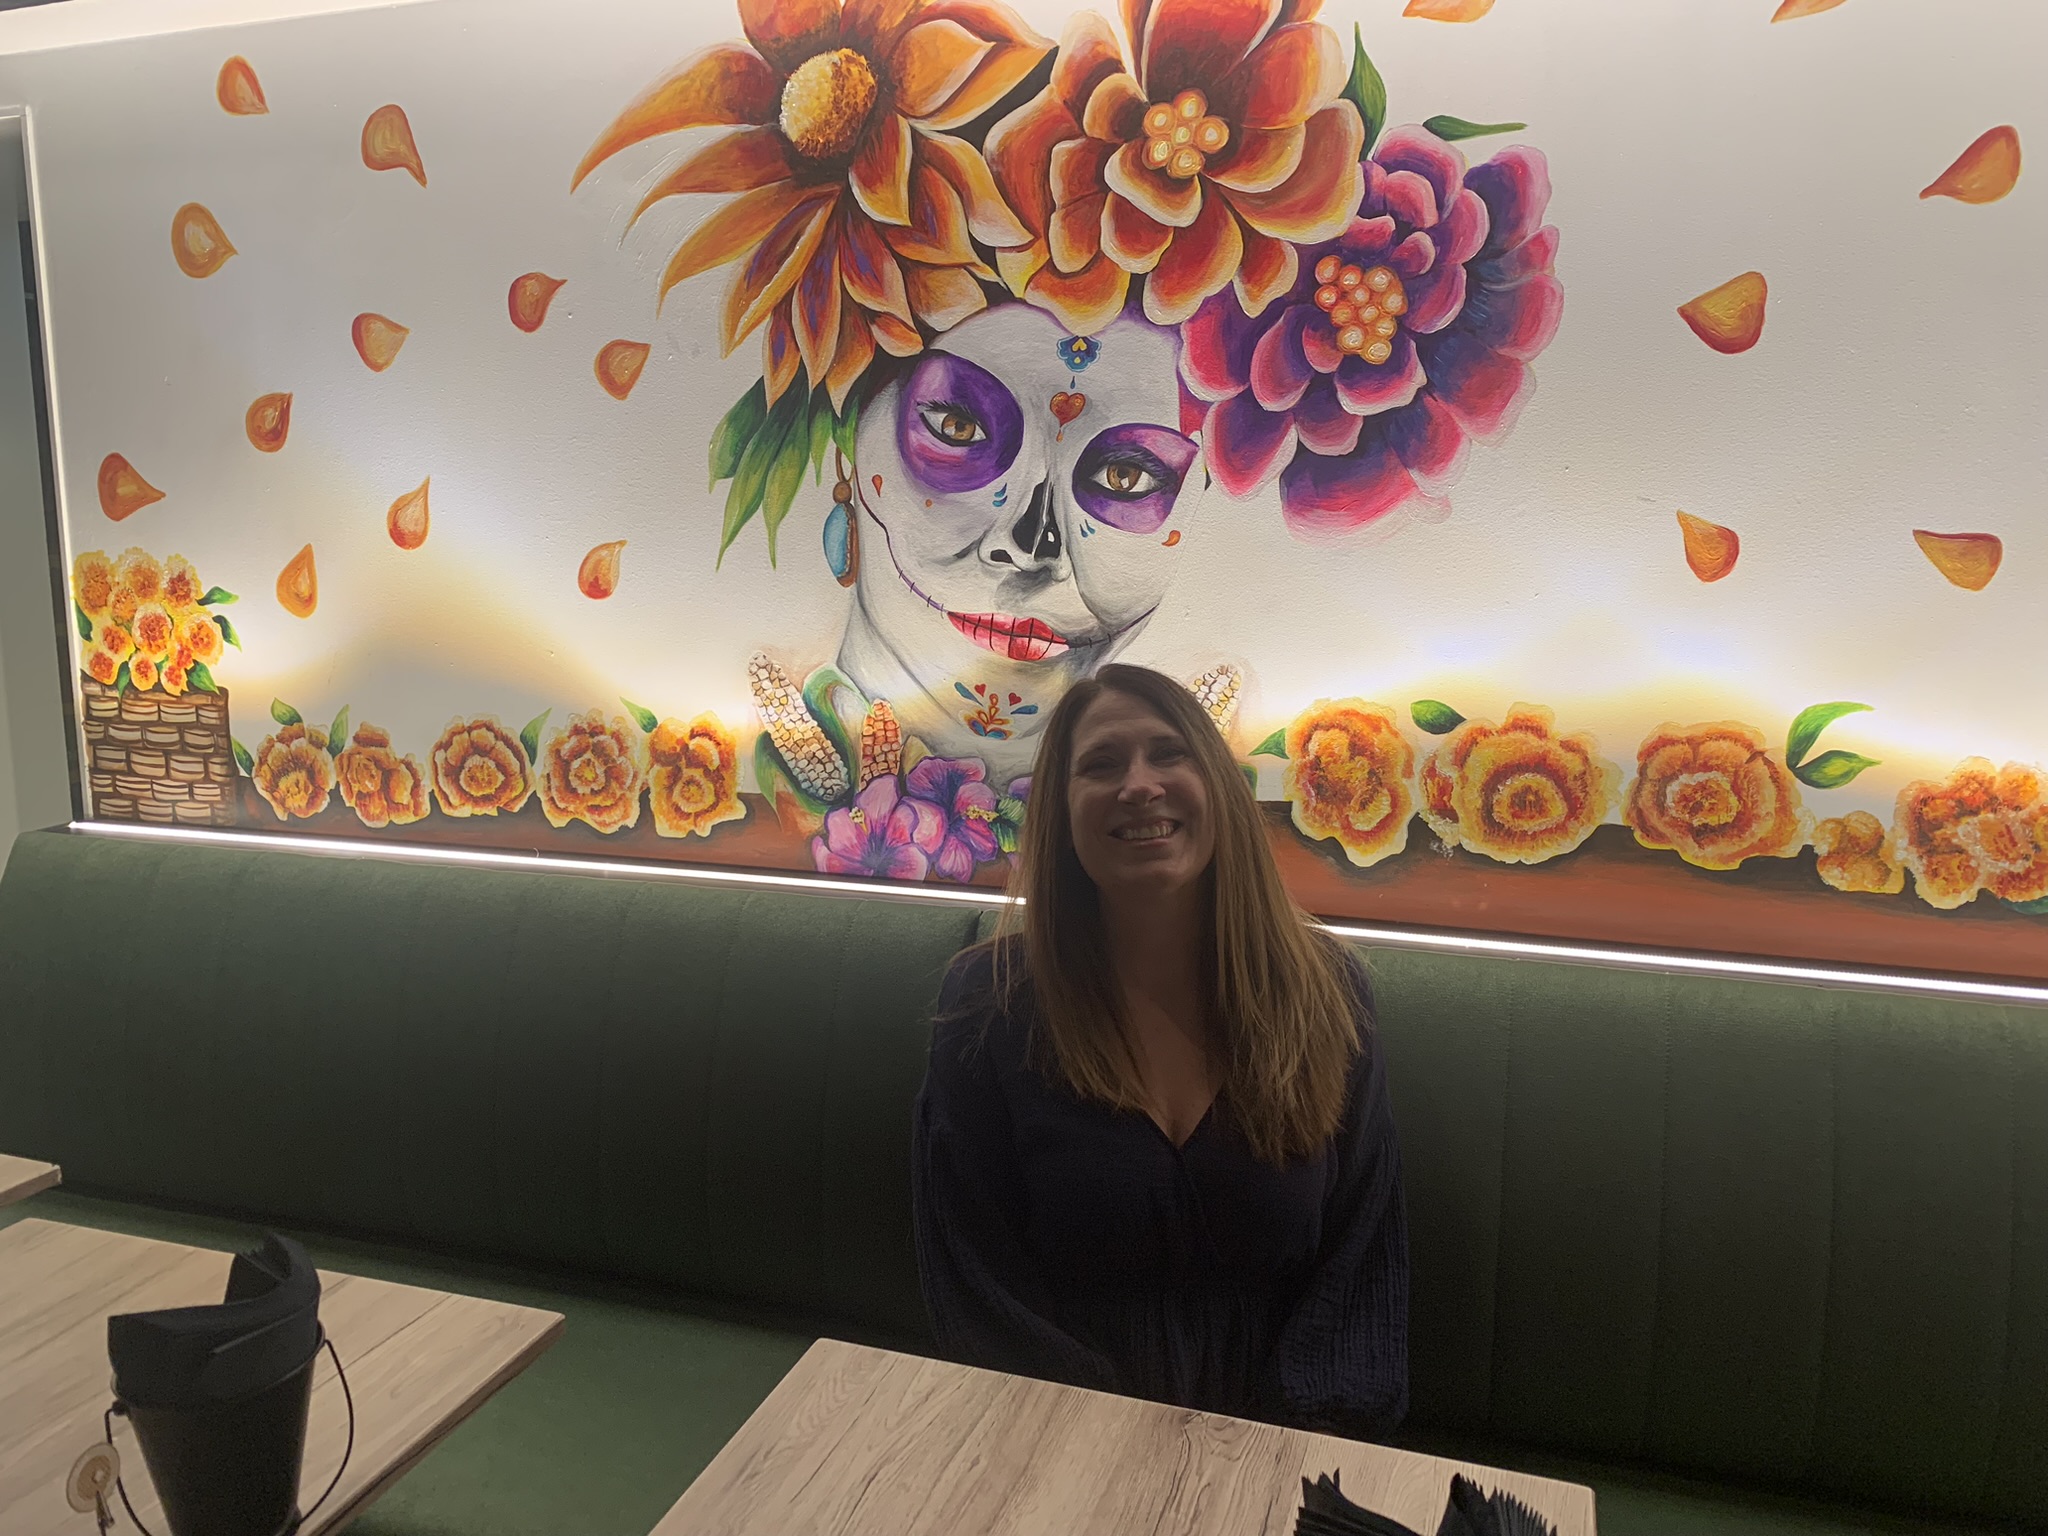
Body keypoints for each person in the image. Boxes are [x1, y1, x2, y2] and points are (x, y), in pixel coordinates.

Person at [911, 663, 1408, 1435]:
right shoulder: (989, 1005)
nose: (1139, 784)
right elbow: (977, 1279)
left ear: (1219, 790)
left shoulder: (1327, 991)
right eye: (1101, 765)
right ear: (1061, 814)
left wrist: (1289, 1450)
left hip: (1286, 1436)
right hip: (1049, 1427)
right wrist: (1092, 1443)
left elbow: (1362, 1256)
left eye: (1168, 754)